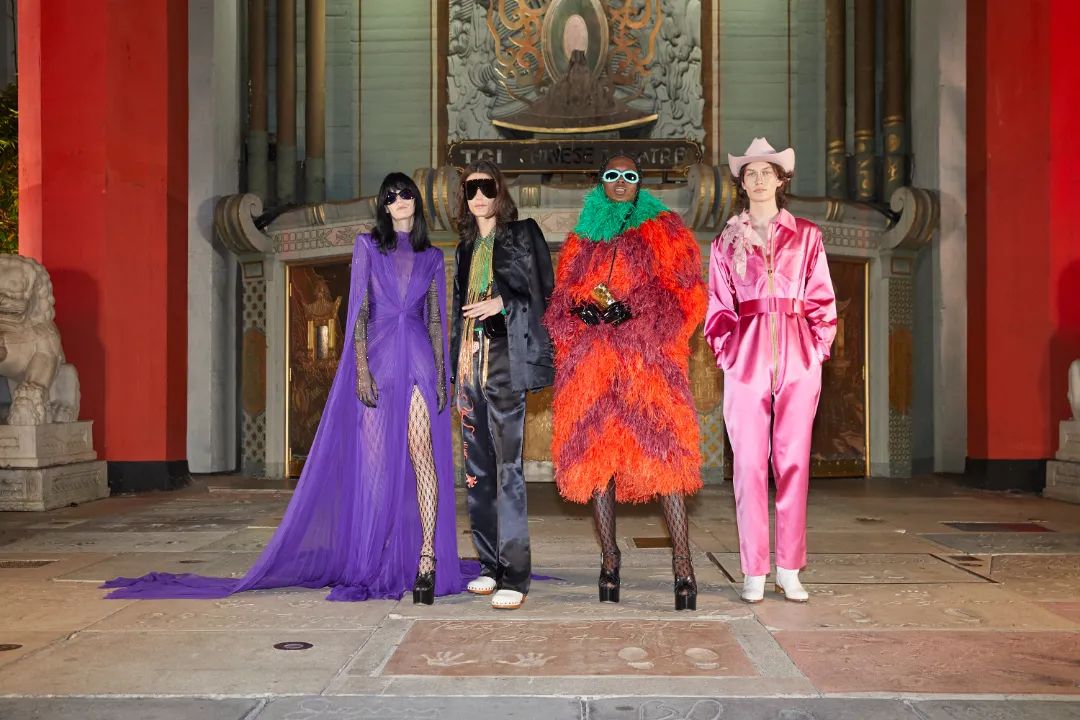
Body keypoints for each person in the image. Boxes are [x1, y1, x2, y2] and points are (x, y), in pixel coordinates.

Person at [104, 172, 464, 603]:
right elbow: (359, 312)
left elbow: (436, 319)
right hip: (381, 360)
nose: (400, 200)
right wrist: (361, 370)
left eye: (406, 193)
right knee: (376, 464)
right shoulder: (367, 246)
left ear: (416, 202)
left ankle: (427, 558)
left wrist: (441, 373)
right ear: (383, 206)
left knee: (422, 453)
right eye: (391, 195)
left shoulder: (430, 256)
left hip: (419, 360)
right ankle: (372, 557)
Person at [544, 154, 707, 611]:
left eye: (629, 176)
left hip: (647, 368)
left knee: (667, 459)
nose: (620, 182)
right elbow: (561, 300)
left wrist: (636, 313)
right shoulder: (582, 237)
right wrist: (579, 311)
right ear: (601, 181)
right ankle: (609, 561)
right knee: (597, 462)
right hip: (593, 367)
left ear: (640, 182)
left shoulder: (665, 228)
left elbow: (689, 293)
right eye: (612, 175)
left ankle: (683, 565)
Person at [705, 138, 837, 604]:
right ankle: (754, 570)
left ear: (781, 180)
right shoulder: (726, 240)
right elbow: (719, 305)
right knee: (747, 465)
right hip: (746, 357)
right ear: (741, 184)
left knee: (794, 463)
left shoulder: (807, 235)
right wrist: (728, 353)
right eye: (750, 174)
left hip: (799, 357)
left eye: (767, 172)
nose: (759, 180)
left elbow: (822, 298)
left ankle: (789, 568)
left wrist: (816, 350)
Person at [450, 159, 555, 611]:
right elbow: (458, 307)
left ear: (500, 192)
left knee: (508, 467)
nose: (478, 196)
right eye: (470, 189)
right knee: (476, 469)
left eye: (486, 187)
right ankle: (489, 565)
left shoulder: (523, 234)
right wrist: (454, 364)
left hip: (504, 361)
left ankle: (515, 574)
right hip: (468, 362)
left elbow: (544, 293)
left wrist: (502, 303)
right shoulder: (464, 248)